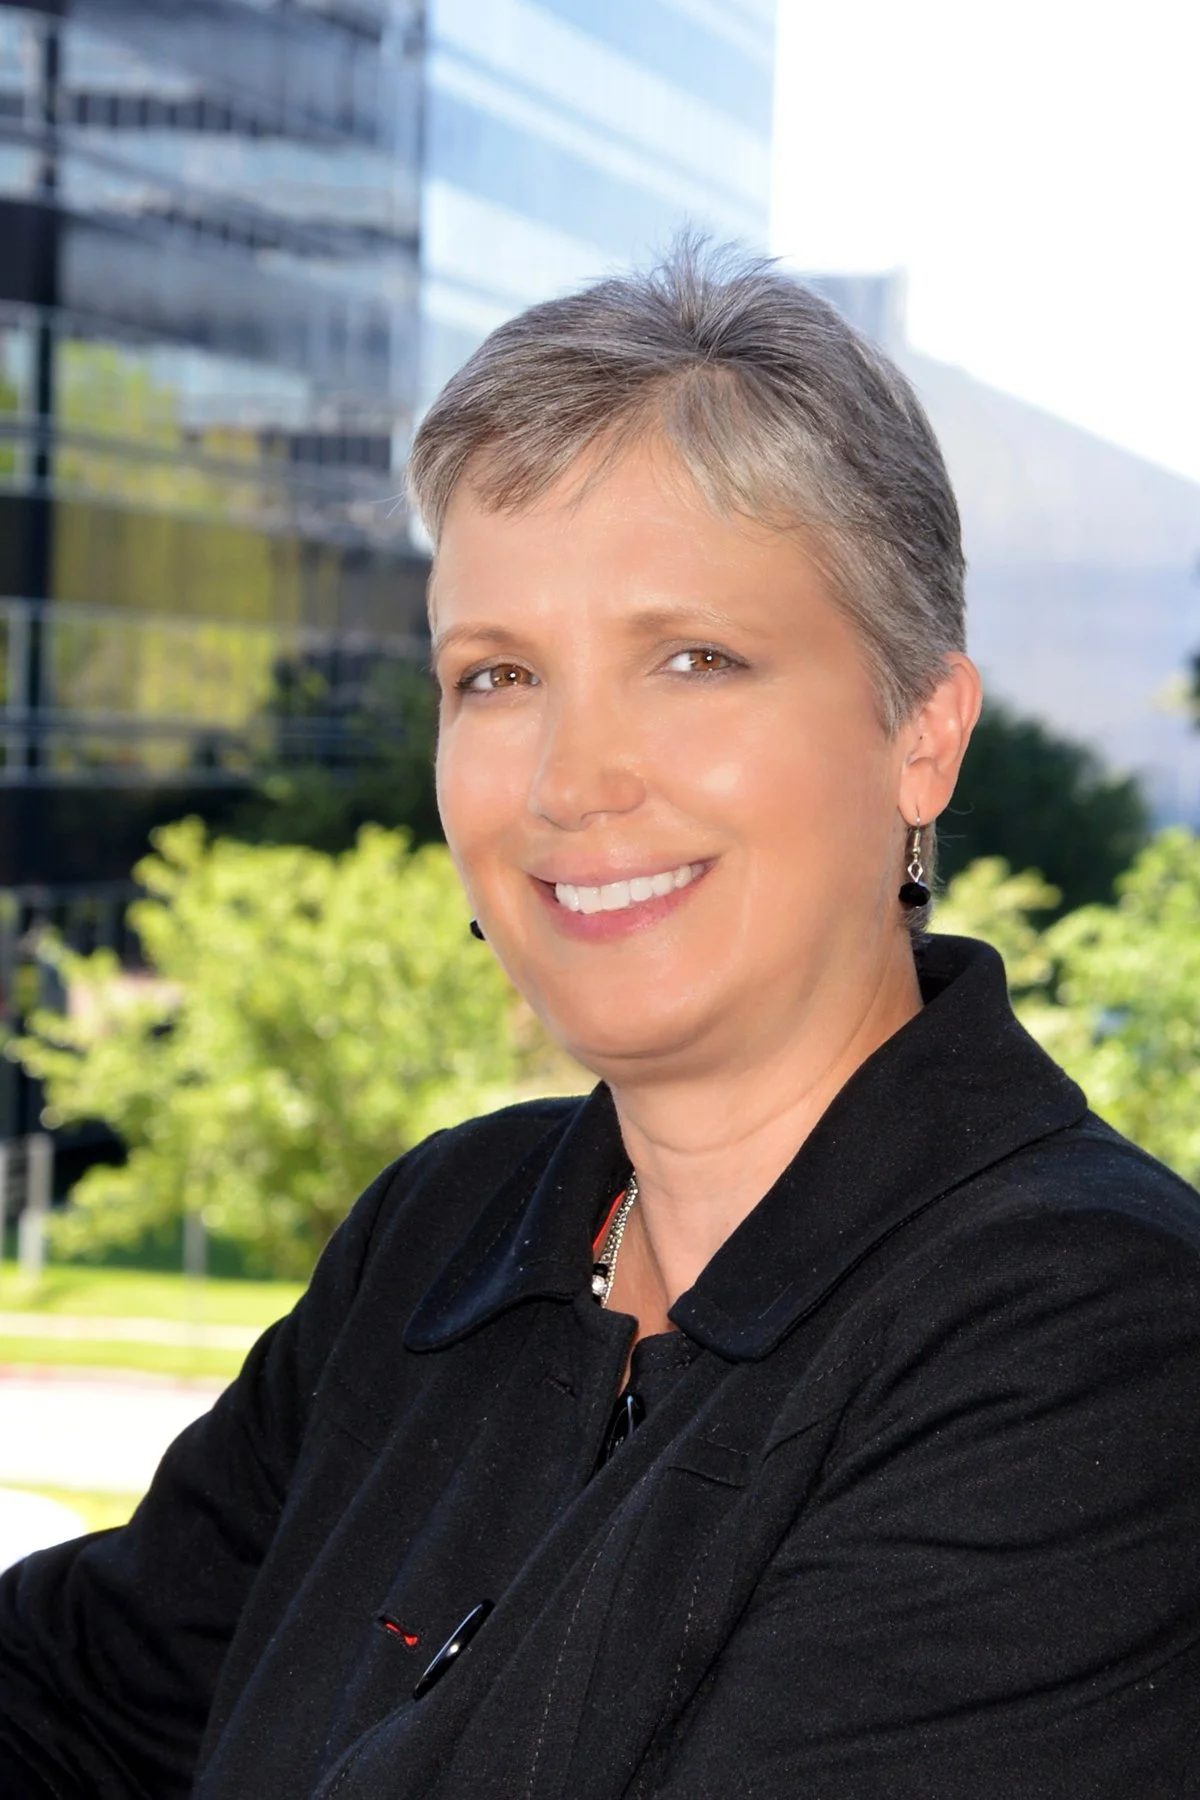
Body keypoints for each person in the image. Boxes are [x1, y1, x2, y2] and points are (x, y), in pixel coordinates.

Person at [3, 243, 1200, 1800]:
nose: (571, 781)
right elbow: (78, 1707)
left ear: (923, 736)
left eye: (694, 659)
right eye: (496, 676)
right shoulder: (444, 1237)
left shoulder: (1100, 1352)